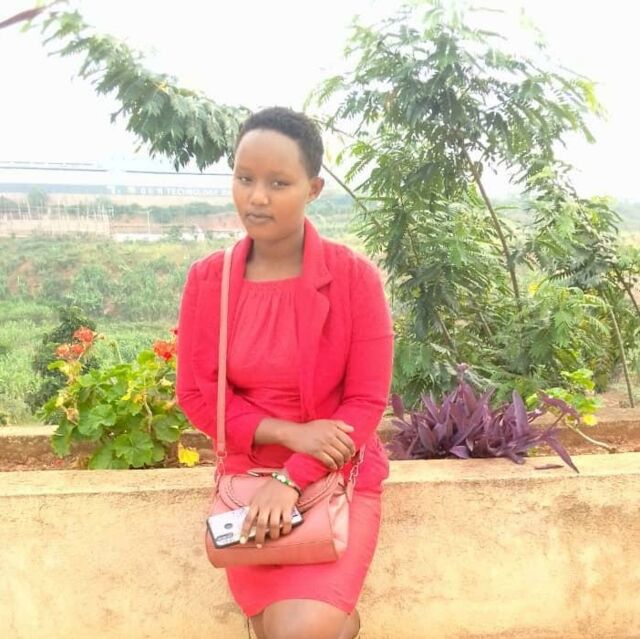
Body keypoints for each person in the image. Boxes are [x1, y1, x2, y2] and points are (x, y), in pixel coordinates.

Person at [176, 106, 394, 639]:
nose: (257, 197)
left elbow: (366, 402)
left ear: (313, 189)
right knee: (282, 629)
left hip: (334, 481)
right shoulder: (209, 281)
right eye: (244, 178)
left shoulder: (353, 279)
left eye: (278, 183)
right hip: (247, 492)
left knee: (296, 631)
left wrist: (293, 477)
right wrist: (287, 436)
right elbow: (197, 396)